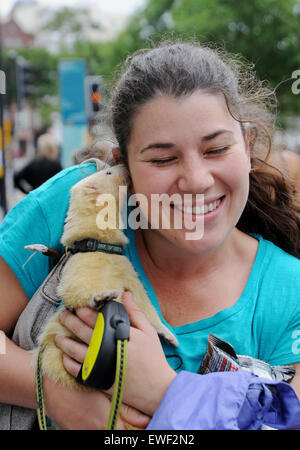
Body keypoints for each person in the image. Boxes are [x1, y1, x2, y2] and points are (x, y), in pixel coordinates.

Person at [0, 41, 300, 430]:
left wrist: (163, 392)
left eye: (216, 149)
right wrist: (51, 392)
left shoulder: (289, 292)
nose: (195, 180)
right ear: (121, 166)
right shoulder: (82, 200)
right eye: (162, 158)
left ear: (246, 144)